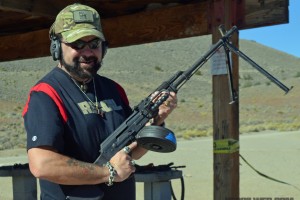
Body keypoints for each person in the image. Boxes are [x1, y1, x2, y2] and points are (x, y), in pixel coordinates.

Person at [22, 3, 177, 200]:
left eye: (94, 44)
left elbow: (131, 153)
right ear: (56, 47)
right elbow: (42, 164)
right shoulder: (46, 93)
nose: (87, 52)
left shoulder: (113, 89)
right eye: (77, 44)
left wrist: (157, 120)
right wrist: (108, 173)